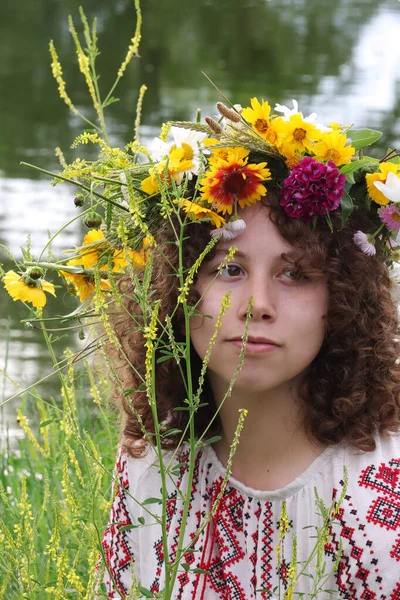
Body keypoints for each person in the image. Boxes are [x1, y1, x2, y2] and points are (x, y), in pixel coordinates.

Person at [100, 99, 400, 599]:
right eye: (230, 269)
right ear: (178, 286)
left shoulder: (383, 489)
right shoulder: (150, 464)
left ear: (345, 300)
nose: (257, 304)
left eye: (295, 274)